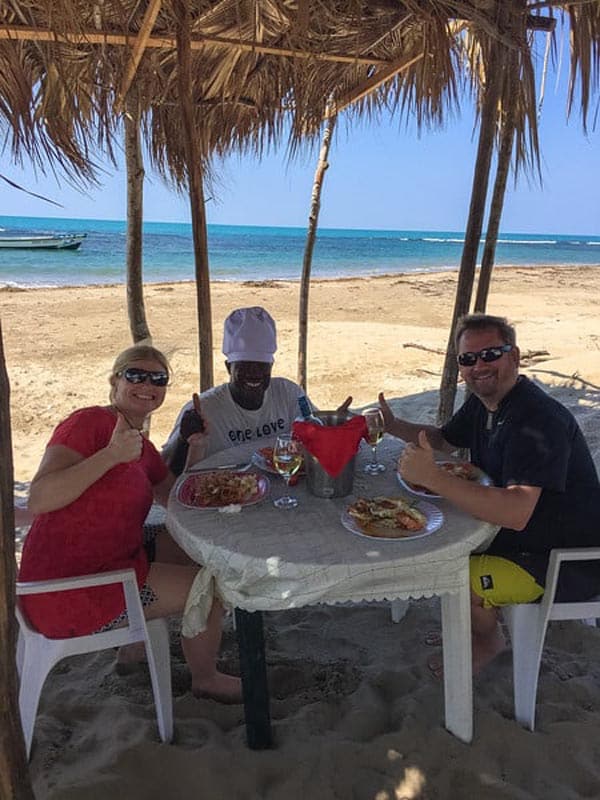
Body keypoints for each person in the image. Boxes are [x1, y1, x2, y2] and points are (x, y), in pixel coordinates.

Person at [19, 344, 241, 702]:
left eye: (158, 378)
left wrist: (195, 446)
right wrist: (110, 456)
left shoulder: (140, 446)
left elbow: (176, 500)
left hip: (110, 560)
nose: (147, 384)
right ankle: (206, 678)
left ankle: (133, 650)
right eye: (135, 375)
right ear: (115, 381)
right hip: (68, 591)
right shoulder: (89, 423)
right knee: (210, 586)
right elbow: (40, 498)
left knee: (193, 550)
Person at [379, 312, 600, 673]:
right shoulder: (486, 402)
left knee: (455, 575)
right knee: (431, 542)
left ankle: (488, 640)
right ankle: (474, 625)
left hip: (563, 561)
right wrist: (395, 426)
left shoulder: (538, 421)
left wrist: (433, 479)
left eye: (490, 354)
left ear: (514, 356)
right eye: (468, 359)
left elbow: (516, 512)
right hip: (523, 537)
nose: (478, 366)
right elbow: (445, 441)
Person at [163, 306, 351, 474]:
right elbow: (169, 472)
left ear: (271, 366)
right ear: (229, 368)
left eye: (262, 365)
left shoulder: (289, 394)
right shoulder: (203, 409)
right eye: (244, 365)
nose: (254, 373)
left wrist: (335, 427)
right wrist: (183, 439)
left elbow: (316, 433)